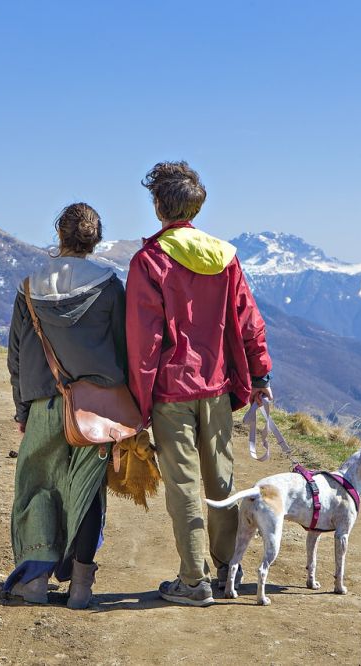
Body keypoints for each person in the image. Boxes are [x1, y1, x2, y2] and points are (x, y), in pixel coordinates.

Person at [126, 161, 273, 606]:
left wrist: (138, 404)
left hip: (172, 392)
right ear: (197, 204)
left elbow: (144, 342)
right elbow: (249, 321)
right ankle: (228, 569)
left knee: (184, 486)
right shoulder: (225, 257)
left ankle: (194, 581)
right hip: (219, 388)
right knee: (222, 480)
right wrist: (261, 374)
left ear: (158, 206)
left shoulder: (150, 261)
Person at [4, 202, 127, 609]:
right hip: (98, 409)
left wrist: (23, 410)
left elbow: (18, 355)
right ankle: (81, 585)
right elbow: (124, 349)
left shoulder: (30, 286)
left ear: (60, 234)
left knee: (38, 487)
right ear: (96, 238)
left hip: (44, 404)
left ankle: (35, 582)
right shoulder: (109, 285)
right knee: (88, 492)